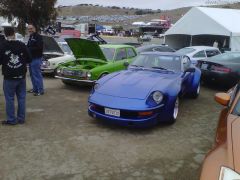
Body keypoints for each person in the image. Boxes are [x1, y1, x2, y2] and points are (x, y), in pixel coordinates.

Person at [0, 27, 31, 125]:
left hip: (9, 77)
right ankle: (21, 119)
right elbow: (29, 59)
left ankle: (11, 120)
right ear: (14, 33)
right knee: (21, 98)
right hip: (21, 76)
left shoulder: (2, 45)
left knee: (9, 99)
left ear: (5, 34)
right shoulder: (22, 45)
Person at [27, 24, 44, 96]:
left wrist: (29, 49)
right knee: (32, 75)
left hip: (36, 59)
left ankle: (40, 90)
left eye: (31, 28)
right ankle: (35, 89)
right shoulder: (31, 37)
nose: (30, 30)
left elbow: (39, 47)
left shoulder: (38, 37)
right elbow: (28, 46)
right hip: (31, 59)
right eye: (28, 29)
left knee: (37, 75)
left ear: (35, 29)